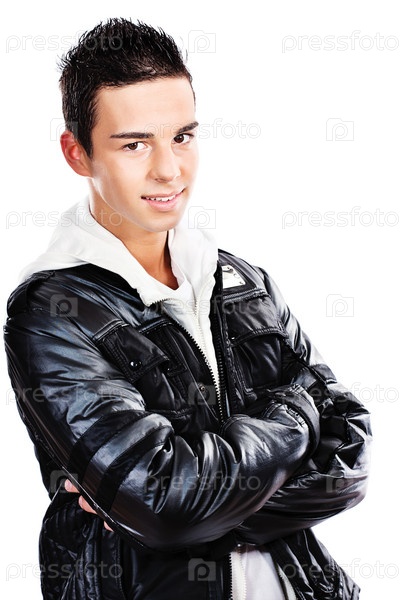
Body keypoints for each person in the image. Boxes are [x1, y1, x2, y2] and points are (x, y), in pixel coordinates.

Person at [4, 18, 371, 600]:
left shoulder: (243, 280)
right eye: (134, 144)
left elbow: (351, 456)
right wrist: (300, 416)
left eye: (182, 136)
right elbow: (166, 508)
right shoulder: (52, 312)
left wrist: (202, 506)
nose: (169, 169)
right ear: (78, 153)